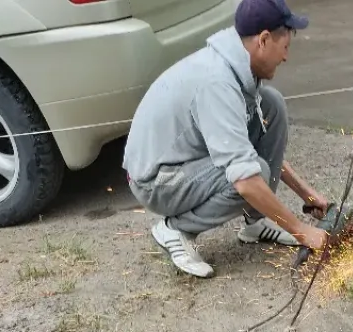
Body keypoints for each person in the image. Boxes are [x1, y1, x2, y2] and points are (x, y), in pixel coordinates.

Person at [122, 0, 329, 278]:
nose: (286, 57)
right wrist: (301, 230)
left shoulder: (237, 65)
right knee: (253, 175)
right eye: (285, 47)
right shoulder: (218, 83)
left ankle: (255, 223)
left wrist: (306, 193)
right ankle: (176, 229)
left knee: (272, 104)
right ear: (264, 40)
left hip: (184, 159)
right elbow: (245, 180)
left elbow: (243, 147)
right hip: (156, 180)